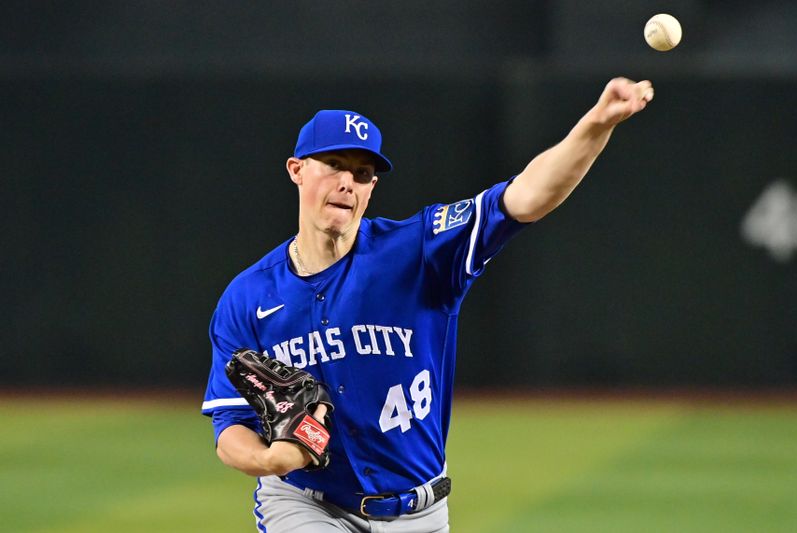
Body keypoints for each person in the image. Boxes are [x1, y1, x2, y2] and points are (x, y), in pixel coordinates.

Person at [202, 77, 654, 532]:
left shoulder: (417, 250)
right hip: (306, 503)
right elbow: (230, 423)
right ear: (296, 170)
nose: (347, 182)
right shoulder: (248, 297)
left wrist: (596, 125)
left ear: (372, 187)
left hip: (419, 510)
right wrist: (266, 457)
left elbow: (524, 199)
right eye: (333, 164)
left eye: (362, 173)